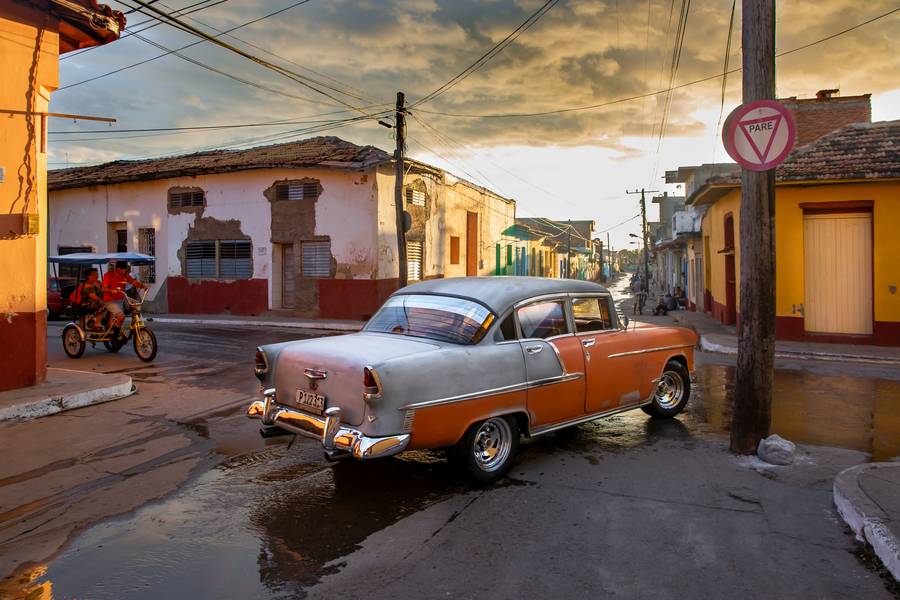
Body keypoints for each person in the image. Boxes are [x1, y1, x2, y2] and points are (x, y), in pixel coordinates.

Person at [102, 261, 146, 330]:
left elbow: (134, 282)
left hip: (122, 298)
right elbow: (103, 288)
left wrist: (143, 286)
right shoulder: (108, 275)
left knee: (137, 305)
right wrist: (111, 290)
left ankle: (134, 325)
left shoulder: (126, 275)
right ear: (116, 268)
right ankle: (116, 332)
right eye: (121, 269)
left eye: (124, 269)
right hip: (111, 301)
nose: (123, 270)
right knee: (121, 317)